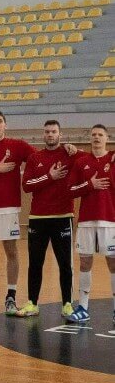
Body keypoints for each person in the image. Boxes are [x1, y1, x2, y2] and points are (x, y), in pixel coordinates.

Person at [0, 111, 75, 316]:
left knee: (12, 252)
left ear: (5, 125)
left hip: (9, 208)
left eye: (0, 121)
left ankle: (11, 297)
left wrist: (66, 147)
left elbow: (43, 156)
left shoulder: (18, 146)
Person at [17, 121, 77, 318]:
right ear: (43, 135)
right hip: (38, 218)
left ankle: (67, 304)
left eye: (54, 131)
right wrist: (50, 176)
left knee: (65, 264)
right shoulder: (35, 158)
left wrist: (75, 149)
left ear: (60, 134)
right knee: (35, 263)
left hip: (63, 217)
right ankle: (32, 303)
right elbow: (27, 185)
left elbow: (93, 158)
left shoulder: (69, 154)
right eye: (47, 132)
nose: (50, 134)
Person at [66, 124, 114, 323]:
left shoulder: (113, 160)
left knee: (113, 263)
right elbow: (70, 190)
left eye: (100, 134)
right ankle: (83, 308)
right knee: (85, 262)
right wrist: (89, 185)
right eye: (93, 134)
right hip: (86, 221)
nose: (96, 137)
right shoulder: (82, 162)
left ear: (107, 138)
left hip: (110, 221)